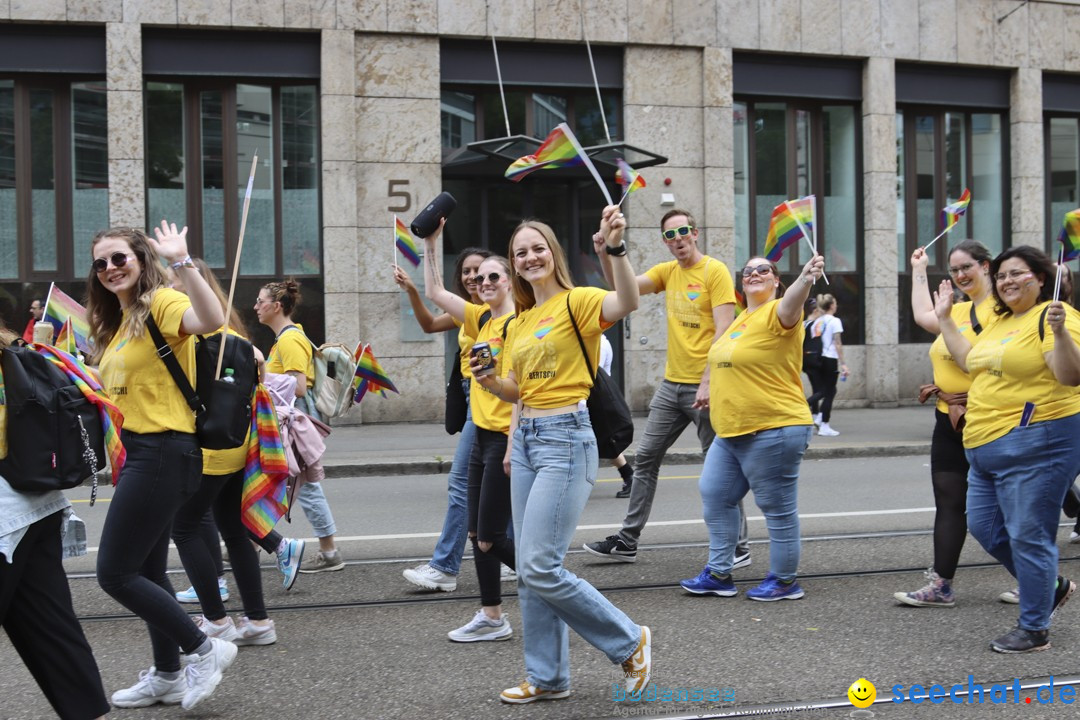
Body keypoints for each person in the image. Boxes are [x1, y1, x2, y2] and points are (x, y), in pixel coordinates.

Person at [472, 207, 651, 704]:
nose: (530, 257)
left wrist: (613, 248)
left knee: (539, 565)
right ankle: (547, 677)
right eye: (520, 252)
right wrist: (489, 380)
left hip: (567, 439)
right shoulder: (519, 322)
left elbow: (629, 299)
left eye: (537, 248)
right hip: (528, 439)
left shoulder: (579, 302)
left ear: (552, 253)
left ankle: (628, 639)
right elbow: (518, 390)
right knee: (530, 571)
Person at [90, 222, 236, 710]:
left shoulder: (160, 301)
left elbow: (212, 319)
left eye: (119, 258)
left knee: (113, 573)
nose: (110, 268)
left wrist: (181, 260)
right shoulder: (120, 321)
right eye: (101, 263)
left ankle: (203, 648)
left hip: (163, 452)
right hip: (143, 453)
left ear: (139, 260)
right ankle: (168, 674)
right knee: (148, 572)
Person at [583, 209, 750, 565]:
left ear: (696, 233)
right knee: (645, 459)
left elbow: (725, 330)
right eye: (670, 235)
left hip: (707, 387)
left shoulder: (714, 271)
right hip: (671, 386)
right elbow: (622, 287)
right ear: (665, 242)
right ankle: (628, 540)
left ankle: (739, 546)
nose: (678, 239)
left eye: (684, 231)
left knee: (720, 465)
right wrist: (604, 251)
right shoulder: (667, 272)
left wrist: (708, 379)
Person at [934, 245, 1079, 653]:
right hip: (984, 445)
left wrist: (1062, 333)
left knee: (1029, 536)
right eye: (1001, 276)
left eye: (1017, 273)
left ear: (1040, 277)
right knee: (985, 526)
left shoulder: (1053, 317)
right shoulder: (1001, 321)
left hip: (1037, 441)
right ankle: (1050, 586)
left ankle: (1034, 629)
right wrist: (946, 318)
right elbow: (969, 362)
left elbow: (1070, 375)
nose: (1007, 281)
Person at [680, 254, 823, 601]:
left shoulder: (778, 313)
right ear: (742, 285)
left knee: (776, 507)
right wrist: (710, 386)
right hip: (731, 431)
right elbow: (724, 360)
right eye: (748, 272)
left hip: (775, 427)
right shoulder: (742, 318)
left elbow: (791, 307)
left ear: (776, 281)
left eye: (764, 270)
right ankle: (718, 573)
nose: (755, 274)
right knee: (715, 495)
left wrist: (804, 279)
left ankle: (785, 581)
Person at [169, 259, 286, 647]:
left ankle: (215, 619)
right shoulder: (240, 341)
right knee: (236, 533)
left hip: (202, 451)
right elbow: (260, 383)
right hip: (238, 447)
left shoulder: (186, 339)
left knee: (184, 528)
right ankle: (258, 621)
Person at [0, 321, 111, 720]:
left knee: (54, 637)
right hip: (37, 507)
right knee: (55, 639)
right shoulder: (13, 350)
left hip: (4, 520)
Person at [421, 247, 517, 641]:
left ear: (510, 281)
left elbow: (522, 390)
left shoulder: (516, 324)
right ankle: (492, 616)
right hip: (481, 434)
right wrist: (432, 241)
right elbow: (435, 293)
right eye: (479, 279)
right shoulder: (481, 319)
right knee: (478, 535)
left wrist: (512, 444)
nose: (484, 284)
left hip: (505, 438)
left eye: (494, 277)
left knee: (492, 536)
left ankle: (551, 581)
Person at [894, 241, 996, 608]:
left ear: (986, 266)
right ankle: (941, 585)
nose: (960, 275)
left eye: (966, 267)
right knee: (949, 501)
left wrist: (948, 317)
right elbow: (924, 314)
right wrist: (918, 270)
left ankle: (1035, 580)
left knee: (1006, 507)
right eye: (953, 270)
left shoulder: (1002, 312)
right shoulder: (962, 308)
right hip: (947, 418)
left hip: (990, 417)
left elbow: (975, 362)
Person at [396, 248, 495, 592]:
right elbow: (427, 324)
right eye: (467, 271)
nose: (472, 277)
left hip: (488, 398)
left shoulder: (492, 311)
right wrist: (410, 289)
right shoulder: (466, 312)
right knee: (491, 484)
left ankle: (445, 567)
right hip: (474, 396)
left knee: (462, 483)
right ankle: (509, 558)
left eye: (479, 272)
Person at [255, 279, 344, 573]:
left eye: (261, 301)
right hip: (285, 421)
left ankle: (330, 552)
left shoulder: (290, 340)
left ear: (276, 306)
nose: (256, 307)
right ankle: (251, 540)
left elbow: (299, 387)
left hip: (292, 423)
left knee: (304, 487)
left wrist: (258, 376)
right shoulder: (286, 338)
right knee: (276, 482)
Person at [806, 293, 848, 436]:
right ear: (831, 306)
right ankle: (823, 423)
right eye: (835, 303)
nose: (836, 305)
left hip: (819, 359)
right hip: (830, 358)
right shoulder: (835, 321)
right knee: (828, 392)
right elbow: (837, 343)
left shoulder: (818, 322)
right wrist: (843, 364)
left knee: (826, 390)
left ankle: (818, 418)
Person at [598, 333, 635, 497]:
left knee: (601, 441)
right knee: (603, 441)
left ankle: (630, 477)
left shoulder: (598, 344)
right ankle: (629, 475)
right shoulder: (601, 341)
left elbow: (591, 378)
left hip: (592, 400)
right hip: (594, 399)